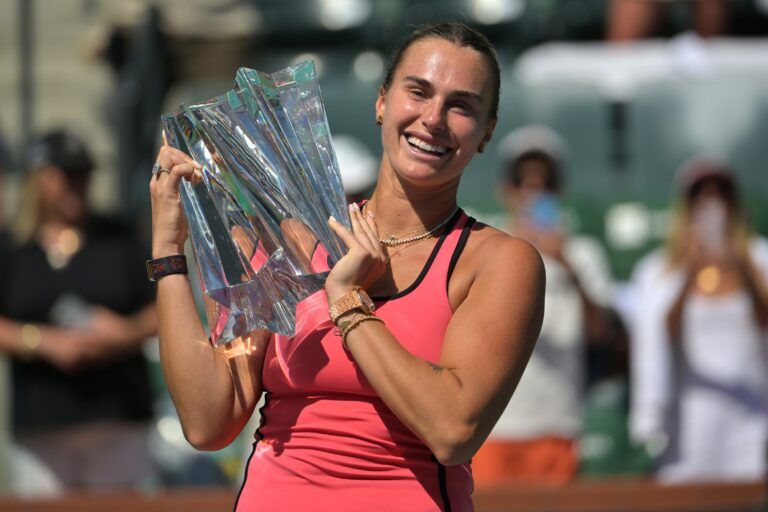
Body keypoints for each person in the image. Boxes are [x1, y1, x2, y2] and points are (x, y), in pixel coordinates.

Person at [149, 22, 545, 511]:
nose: (434, 118)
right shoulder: (290, 242)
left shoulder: (500, 262)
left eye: (461, 105)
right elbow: (209, 421)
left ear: (486, 132)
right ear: (382, 102)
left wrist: (348, 301)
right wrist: (169, 252)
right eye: (417, 92)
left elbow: (452, 430)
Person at [0, 130, 158, 490]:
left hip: (117, 416)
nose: (77, 183)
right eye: (66, 174)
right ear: (39, 179)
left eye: (83, 173)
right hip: (44, 423)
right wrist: (41, 341)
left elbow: (162, 305)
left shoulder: (118, 237)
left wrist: (124, 335)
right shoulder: (13, 248)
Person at [471, 126, 616, 485]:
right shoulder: (482, 247)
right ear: (506, 191)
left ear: (559, 191)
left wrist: (565, 262)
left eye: (545, 183)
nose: (533, 193)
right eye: (523, 181)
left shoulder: (584, 255)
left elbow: (601, 335)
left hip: (557, 424)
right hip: (491, 426)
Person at [629, 157, 768, 483]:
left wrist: (742, 268)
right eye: (700, 196)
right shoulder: (658, 271)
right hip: (687, 432)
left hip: (750, 425)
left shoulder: (760, 259)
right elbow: (665, 333)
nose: (711, 205)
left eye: (720, 194)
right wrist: (688, 272)